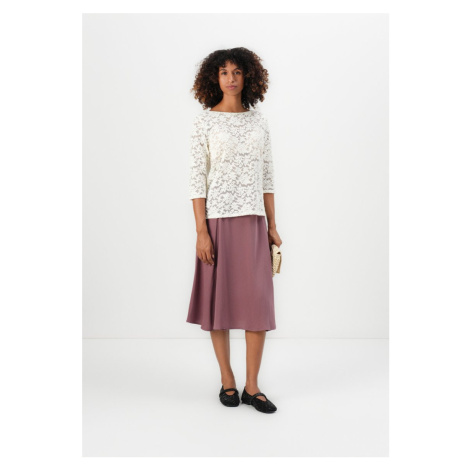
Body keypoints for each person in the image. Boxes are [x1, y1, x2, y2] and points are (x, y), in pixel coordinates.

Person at [186, 47, 282, 414]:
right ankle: (227, 379)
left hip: (254, 221)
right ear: (215, 77)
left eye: (237, 72)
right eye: (224, 72)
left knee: (258, 303)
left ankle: (252, 386)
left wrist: (273, 226)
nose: (230, 78)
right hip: (217, 222)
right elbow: (197, 180)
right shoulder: (204, 122)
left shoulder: (259, 122)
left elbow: (267, 177)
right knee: (219, 302)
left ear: (248, 77)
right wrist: (201, 231)